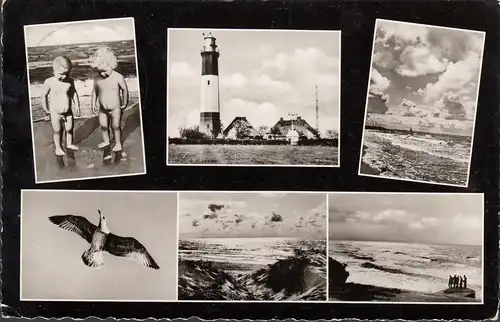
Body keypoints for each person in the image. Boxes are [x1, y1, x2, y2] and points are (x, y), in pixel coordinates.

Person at [90, 46, 129, 154]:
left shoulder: (118, 77)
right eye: (99, 72)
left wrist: (125, 103)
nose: (102, 74)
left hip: (115, 109)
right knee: (103, 126)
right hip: (102, 109)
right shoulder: (97, 78)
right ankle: (106, 141)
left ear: (110, 64)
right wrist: (93, 103)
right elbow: (94, 91)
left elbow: (124, 90)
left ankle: (118, 144)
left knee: (115, 126)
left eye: (103, 71)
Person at [41, 56, 80, 156]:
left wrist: (77, 106)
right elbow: (43, 95)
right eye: (61, 74)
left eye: (67, 74)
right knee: (57, 131)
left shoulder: (70, 81)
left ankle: (69, 144)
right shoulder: (49, 82)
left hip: (68, 112)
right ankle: (58, 148)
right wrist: (45, 109)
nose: (64, 77)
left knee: (69, 129)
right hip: (55, 113)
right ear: (54, 70)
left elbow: (73, 93)